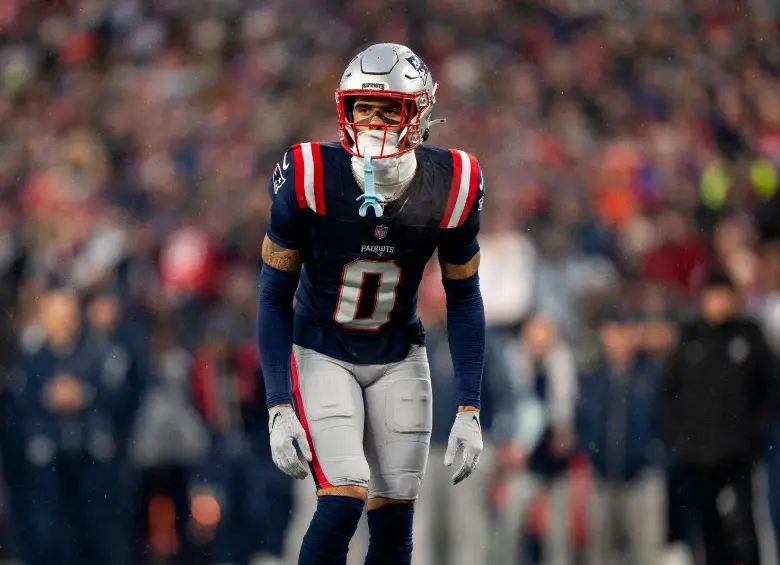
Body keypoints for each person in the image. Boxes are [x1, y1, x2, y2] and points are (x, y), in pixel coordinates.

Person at [256, 43, 487, 565]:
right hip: (322, 350)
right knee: (343, 498)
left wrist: (471, 406)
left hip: (399, 354)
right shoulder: (309, 173)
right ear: (345, 111)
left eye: (390, 109)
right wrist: (277, 404)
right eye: (364, 107)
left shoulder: (453, 182)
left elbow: (465, 297)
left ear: (420, 113)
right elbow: (273, 294)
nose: (375, 122)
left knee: (394, 522)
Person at [661, 270, 778, 565]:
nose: (717, 303)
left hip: (738, 452)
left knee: (746, 523)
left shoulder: (748, 335)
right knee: (706, 526)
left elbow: (770, 389)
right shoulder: (690, 337)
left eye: (723, 296)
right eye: (712, 296)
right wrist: (680, 435)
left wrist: (754, 432)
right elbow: (669, 391)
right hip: (697, 453)